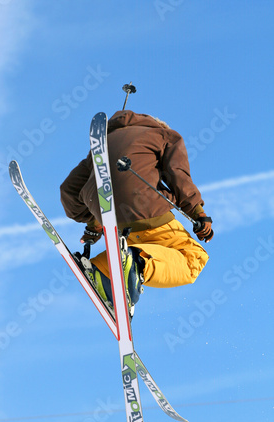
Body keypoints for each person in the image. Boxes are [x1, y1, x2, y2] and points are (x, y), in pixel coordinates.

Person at [60, 110, 213, 313]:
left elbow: (69, 191)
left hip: (111, 217)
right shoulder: (164, 135)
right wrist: (198, 213)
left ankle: (101, 270)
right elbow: (179, 176)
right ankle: (138, 264)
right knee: (193, 258)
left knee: (124, 253)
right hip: (147, 209)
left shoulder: (103, 143)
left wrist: (95, 221)